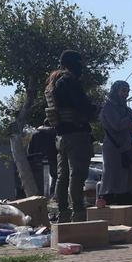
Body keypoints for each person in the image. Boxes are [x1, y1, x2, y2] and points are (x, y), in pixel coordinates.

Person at [44, 50, 97, 222]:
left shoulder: (55, 83)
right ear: (72, 64)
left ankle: (63, 213)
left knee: (63, 176)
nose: (81, 67)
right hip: (76, 135)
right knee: (77, 175)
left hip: (62, 137)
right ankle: (78, 213)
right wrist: (95, 109)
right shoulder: (69, 81)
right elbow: (82, 106)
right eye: (79, 63)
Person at [99, 81, 132, 206]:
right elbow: (117, 125)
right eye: (123, 91)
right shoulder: (108, 107)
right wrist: (129, 117)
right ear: (116, 91)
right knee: (113, 176)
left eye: (127, 91)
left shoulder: (125, 108)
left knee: (128, 177)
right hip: (114, 148)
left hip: (127, 147)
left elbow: (129, 128)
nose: (126, 94)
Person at [26, 124, 59, 197]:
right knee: (55, 178)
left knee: (39, 181)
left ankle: (40, 197)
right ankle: (52, 195)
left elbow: (30, 150)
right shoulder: (53, 133)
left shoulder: (35, 134)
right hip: (52, 159)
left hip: (37, 161)